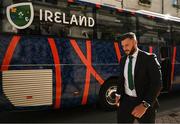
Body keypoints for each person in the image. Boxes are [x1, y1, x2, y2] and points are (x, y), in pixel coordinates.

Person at [115, 32, 162, 123]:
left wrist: (145, 105)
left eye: (127, 45)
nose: (125, 48)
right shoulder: (123, 60)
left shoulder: (149, 58)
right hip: (125, 102)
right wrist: (118, 93)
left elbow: (157, 83)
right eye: (123, 46)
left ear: (135, 42)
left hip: (144, 102)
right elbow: (121, 79)